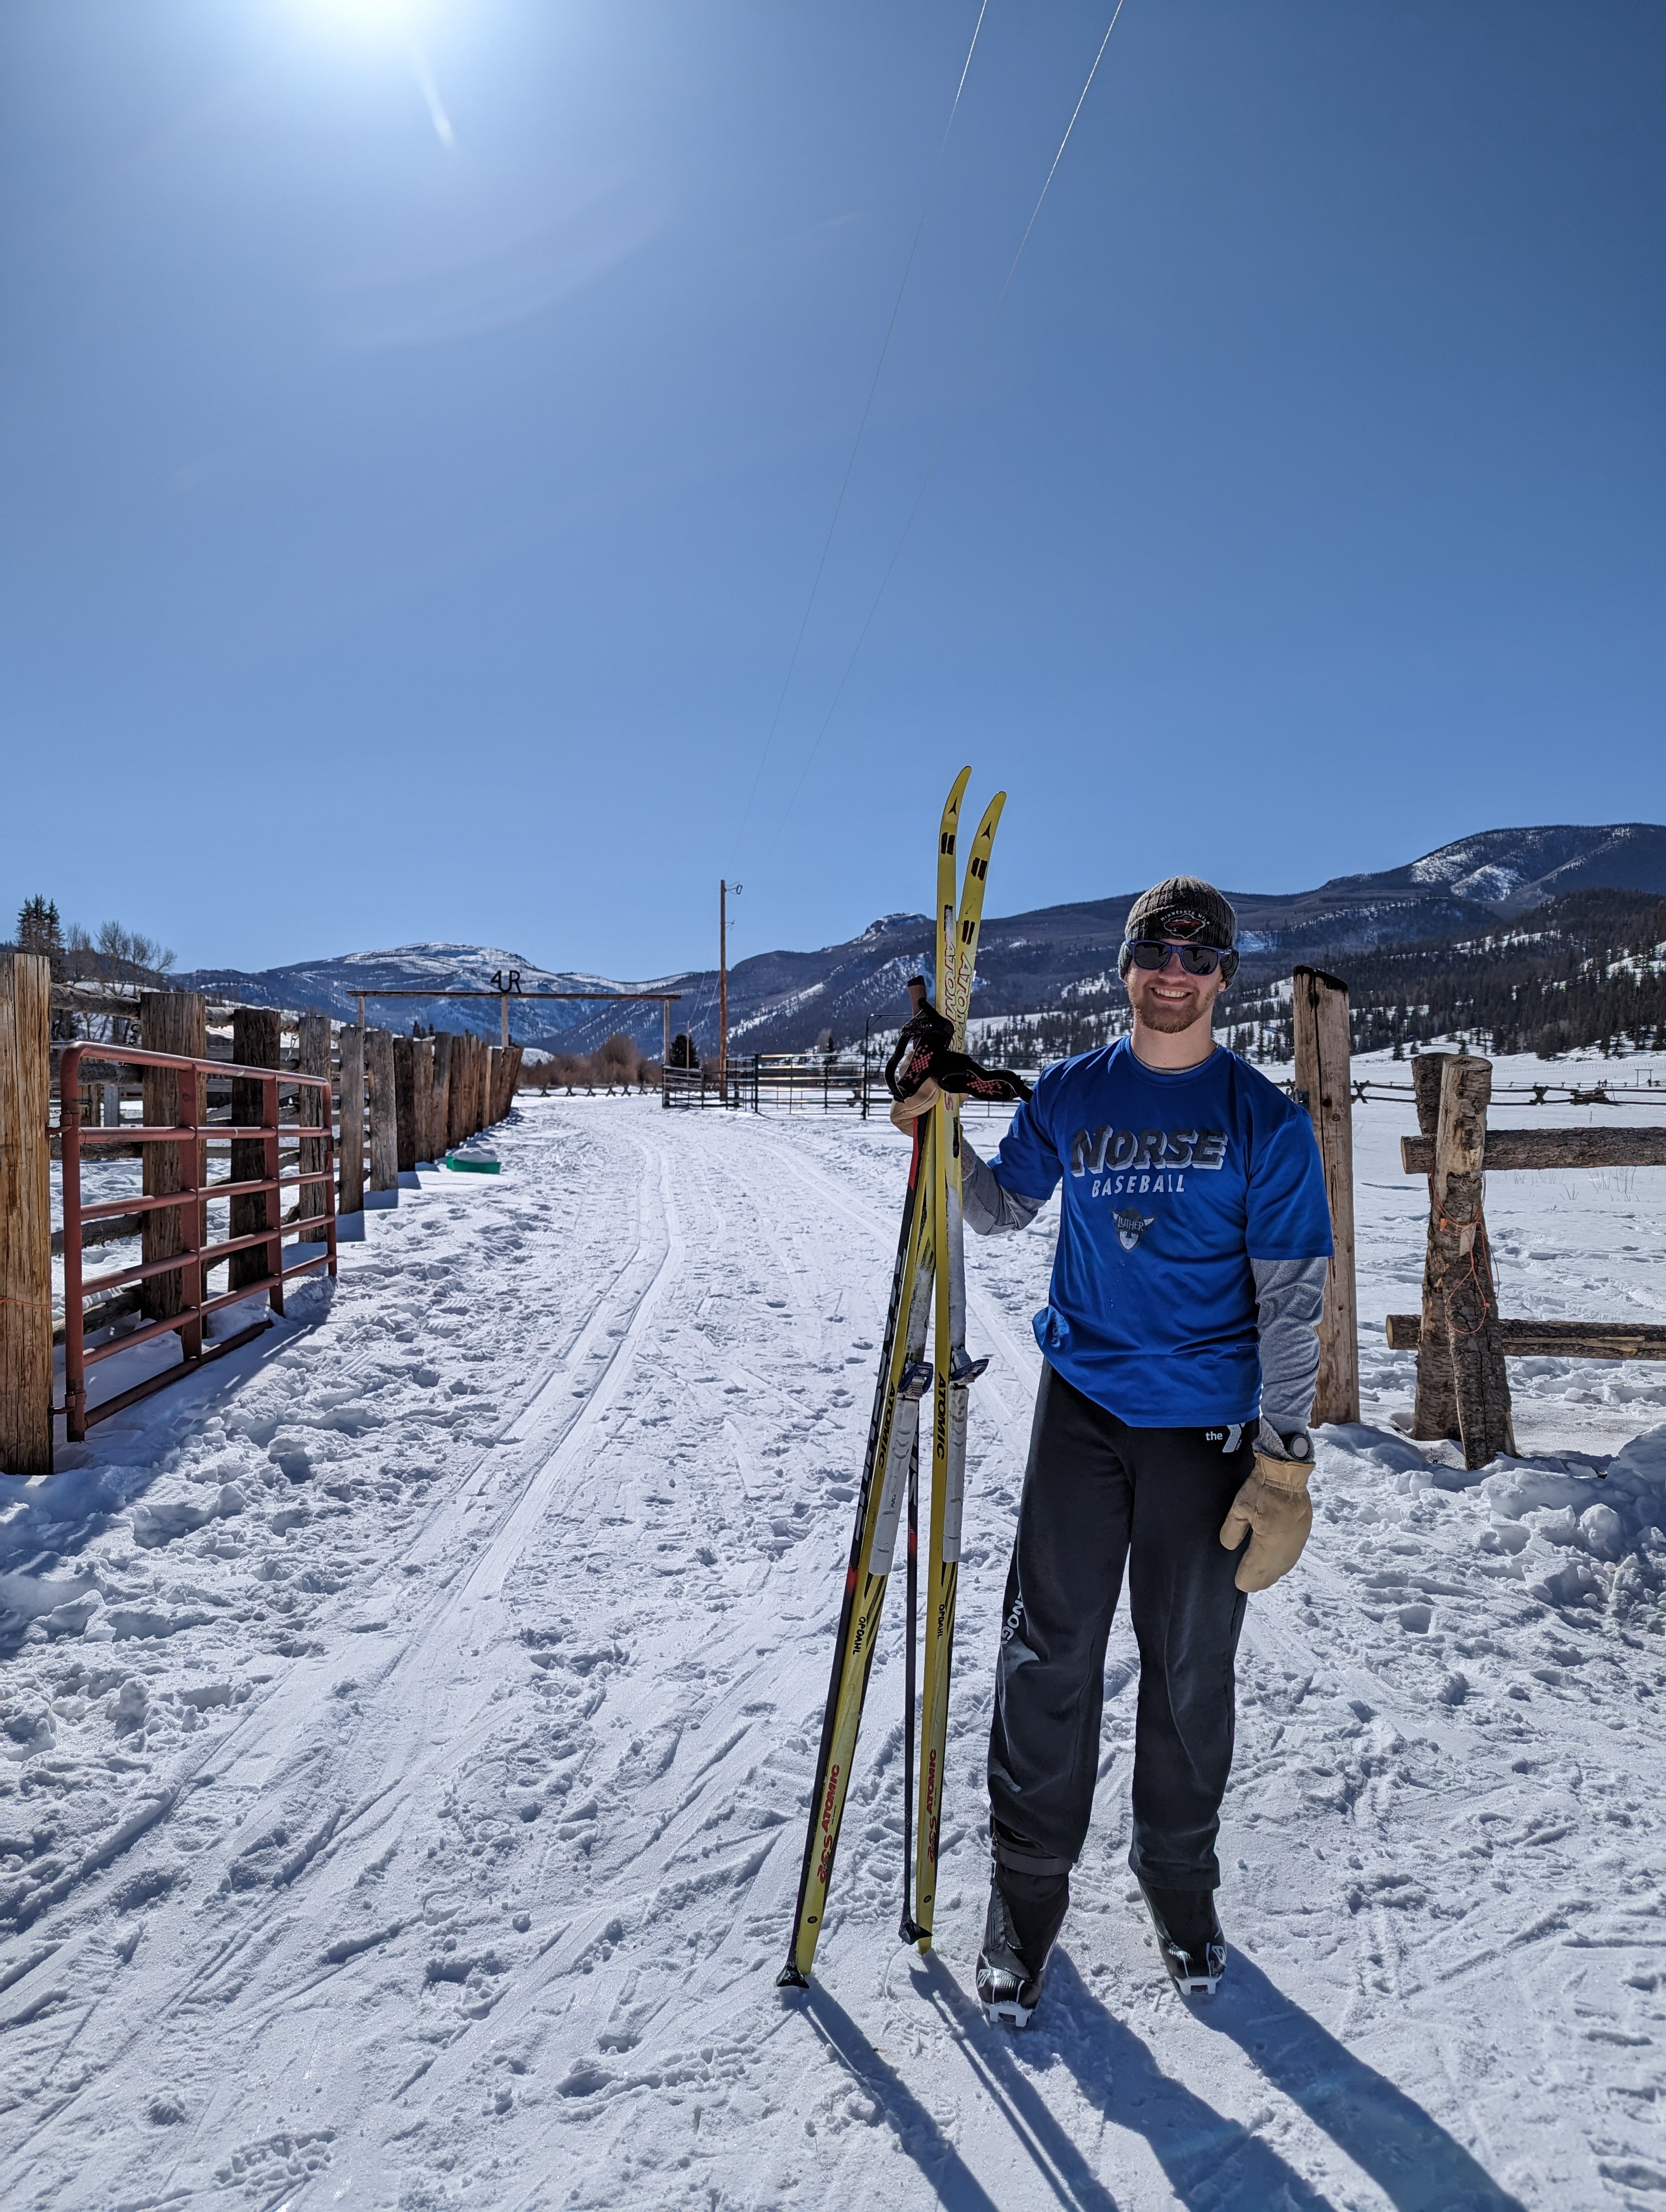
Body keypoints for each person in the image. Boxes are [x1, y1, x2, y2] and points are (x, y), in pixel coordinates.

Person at [893, 876, 1332, 2022]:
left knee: (1191, 1670)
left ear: (1224, 979)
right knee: (1048, 1654)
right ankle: (1027, 1895)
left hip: (1210, 1429)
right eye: (1155, 953)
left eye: (1198, 958)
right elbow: (997, 1212)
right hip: (1083, 1411)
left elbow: (1292, 1303)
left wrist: (1284, 1463)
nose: (1173, 974)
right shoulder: (1077, 1094)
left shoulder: (1266, 1124)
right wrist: (938, 1128)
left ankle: (1178, 1878)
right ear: (1127, 967)